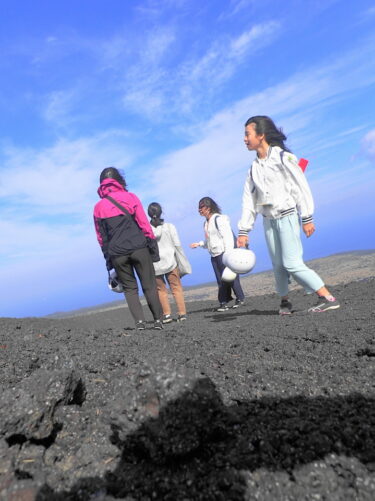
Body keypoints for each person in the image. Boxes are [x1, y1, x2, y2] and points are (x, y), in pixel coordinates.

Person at [237, 115, 340, 314]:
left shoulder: (283, 157)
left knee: (292, 263)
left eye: (247, 134)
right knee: (278, 265)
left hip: (288, 216)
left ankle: (327, 297)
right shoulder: (252, 169)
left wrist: (307, 217)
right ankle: (285, 302)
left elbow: (301, 187)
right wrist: (243, 230)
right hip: (269, 222)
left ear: (261, 135)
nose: (244, 139)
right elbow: (248, 202)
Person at [94, 167, 163, 330]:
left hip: (117, 253)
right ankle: (158, 320)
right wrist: (152, 248)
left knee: (130, 289)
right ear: (119, 180)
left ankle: (139, 322)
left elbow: (101, 237)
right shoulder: (131, 197)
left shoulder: (98, 207)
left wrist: (108, 259)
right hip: (139, 247)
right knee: (149, 285)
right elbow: (144, 224)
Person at [190, 196, 245, 311]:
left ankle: (240, 298)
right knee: (221, 280)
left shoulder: (218, 219)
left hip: (223, 253)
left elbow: (227, 237)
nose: (199, 210)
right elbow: (211, 241)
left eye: (201, 207)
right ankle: (223, 302)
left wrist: (228, 254)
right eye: (199, 207)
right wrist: (200, 244)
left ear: (208, 207)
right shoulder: (206, 223)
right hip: (214, 255)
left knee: (231, 277)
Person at [148, 202, 188, 323]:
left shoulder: (146, 230)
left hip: (155, 264)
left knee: (161, 290)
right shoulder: (170, 226)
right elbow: (177, 245)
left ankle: (166, 315)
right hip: (171, 262)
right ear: (161, 212)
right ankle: (182, 314)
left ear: (149, 214)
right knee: (176, 287)